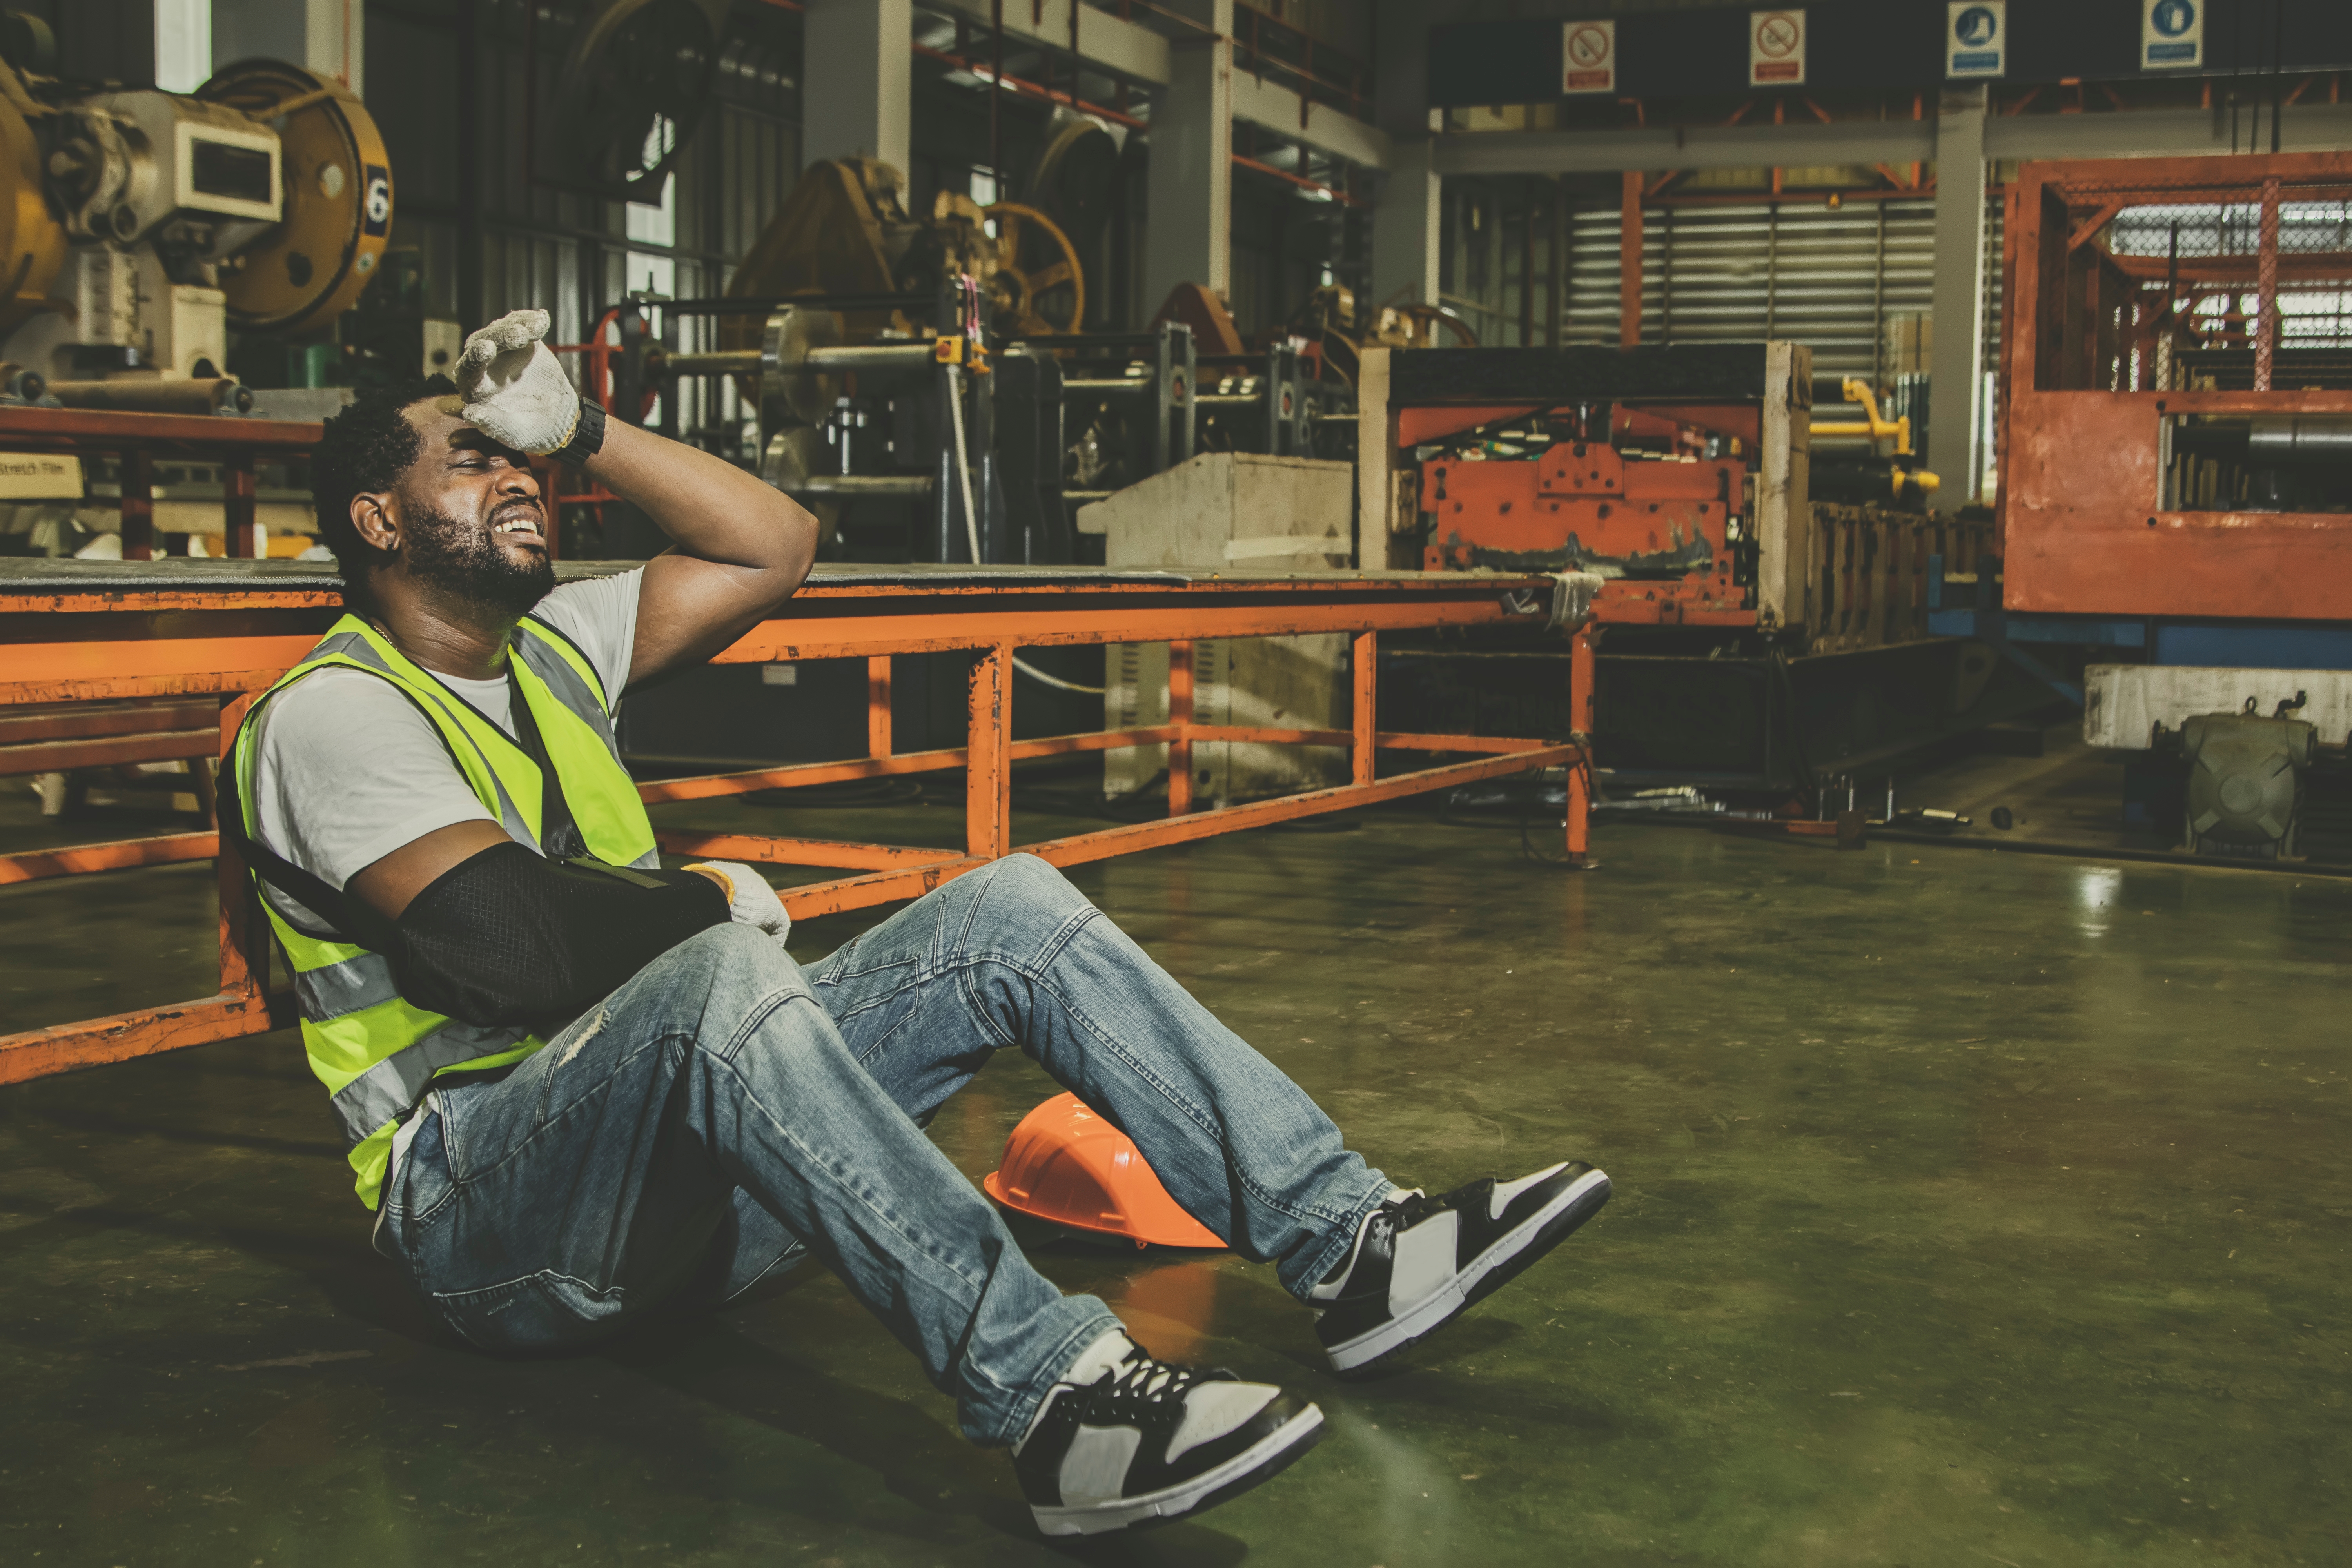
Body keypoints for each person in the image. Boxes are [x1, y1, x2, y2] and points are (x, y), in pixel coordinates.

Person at [223, 310, 1612, 1538]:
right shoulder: (334, 713)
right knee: (714, 971)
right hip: (490, 1224)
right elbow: (507, 947)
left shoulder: (560, 646)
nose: (516, 475)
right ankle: (1062, 1408)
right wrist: (700, 902)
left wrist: (584, 422)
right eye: (472, 459)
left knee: (1002, 908)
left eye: (519, 453)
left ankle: (1351, 1243)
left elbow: (775, 544)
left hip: (677, 1205)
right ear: (379, 522)